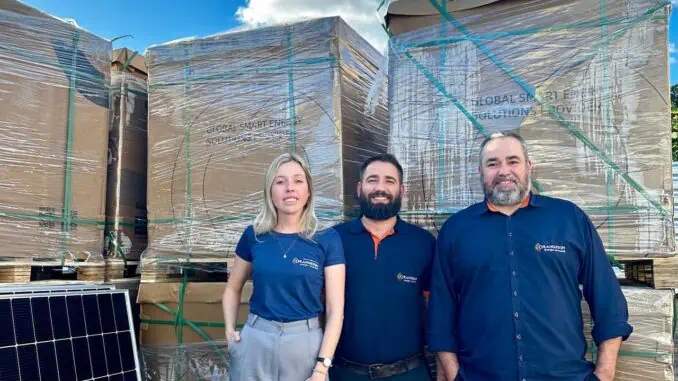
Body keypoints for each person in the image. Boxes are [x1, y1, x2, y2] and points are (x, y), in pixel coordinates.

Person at [428, 131, 633, 381]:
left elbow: (607, 300)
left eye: (513, 161)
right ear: (481, 172)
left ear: (529, 167)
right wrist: (452, 373)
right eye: (492, 164)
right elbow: (441, 310)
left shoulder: (569, 219)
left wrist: (604, 373)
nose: (504, 171)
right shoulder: (456, 230)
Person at [222, 152, 346, 381]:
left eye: (298, 181)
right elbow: (232, 288)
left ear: (308, 191)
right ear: (270, 191)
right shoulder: (254, 236)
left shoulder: (328, 239)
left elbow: (335, 309)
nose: (290, 188)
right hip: (256, 339)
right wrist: (230, 331)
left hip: (305, 344)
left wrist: (322, 367)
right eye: (280, 182)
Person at [331, 153, 436, 381]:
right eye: (372, 180)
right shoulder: (333, 240)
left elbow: (436, 311)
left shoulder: (424, 243)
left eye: (389, 181)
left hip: (409, 374)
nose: (380, 188)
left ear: (401, 190)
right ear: (359, 188)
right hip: (345, 374)